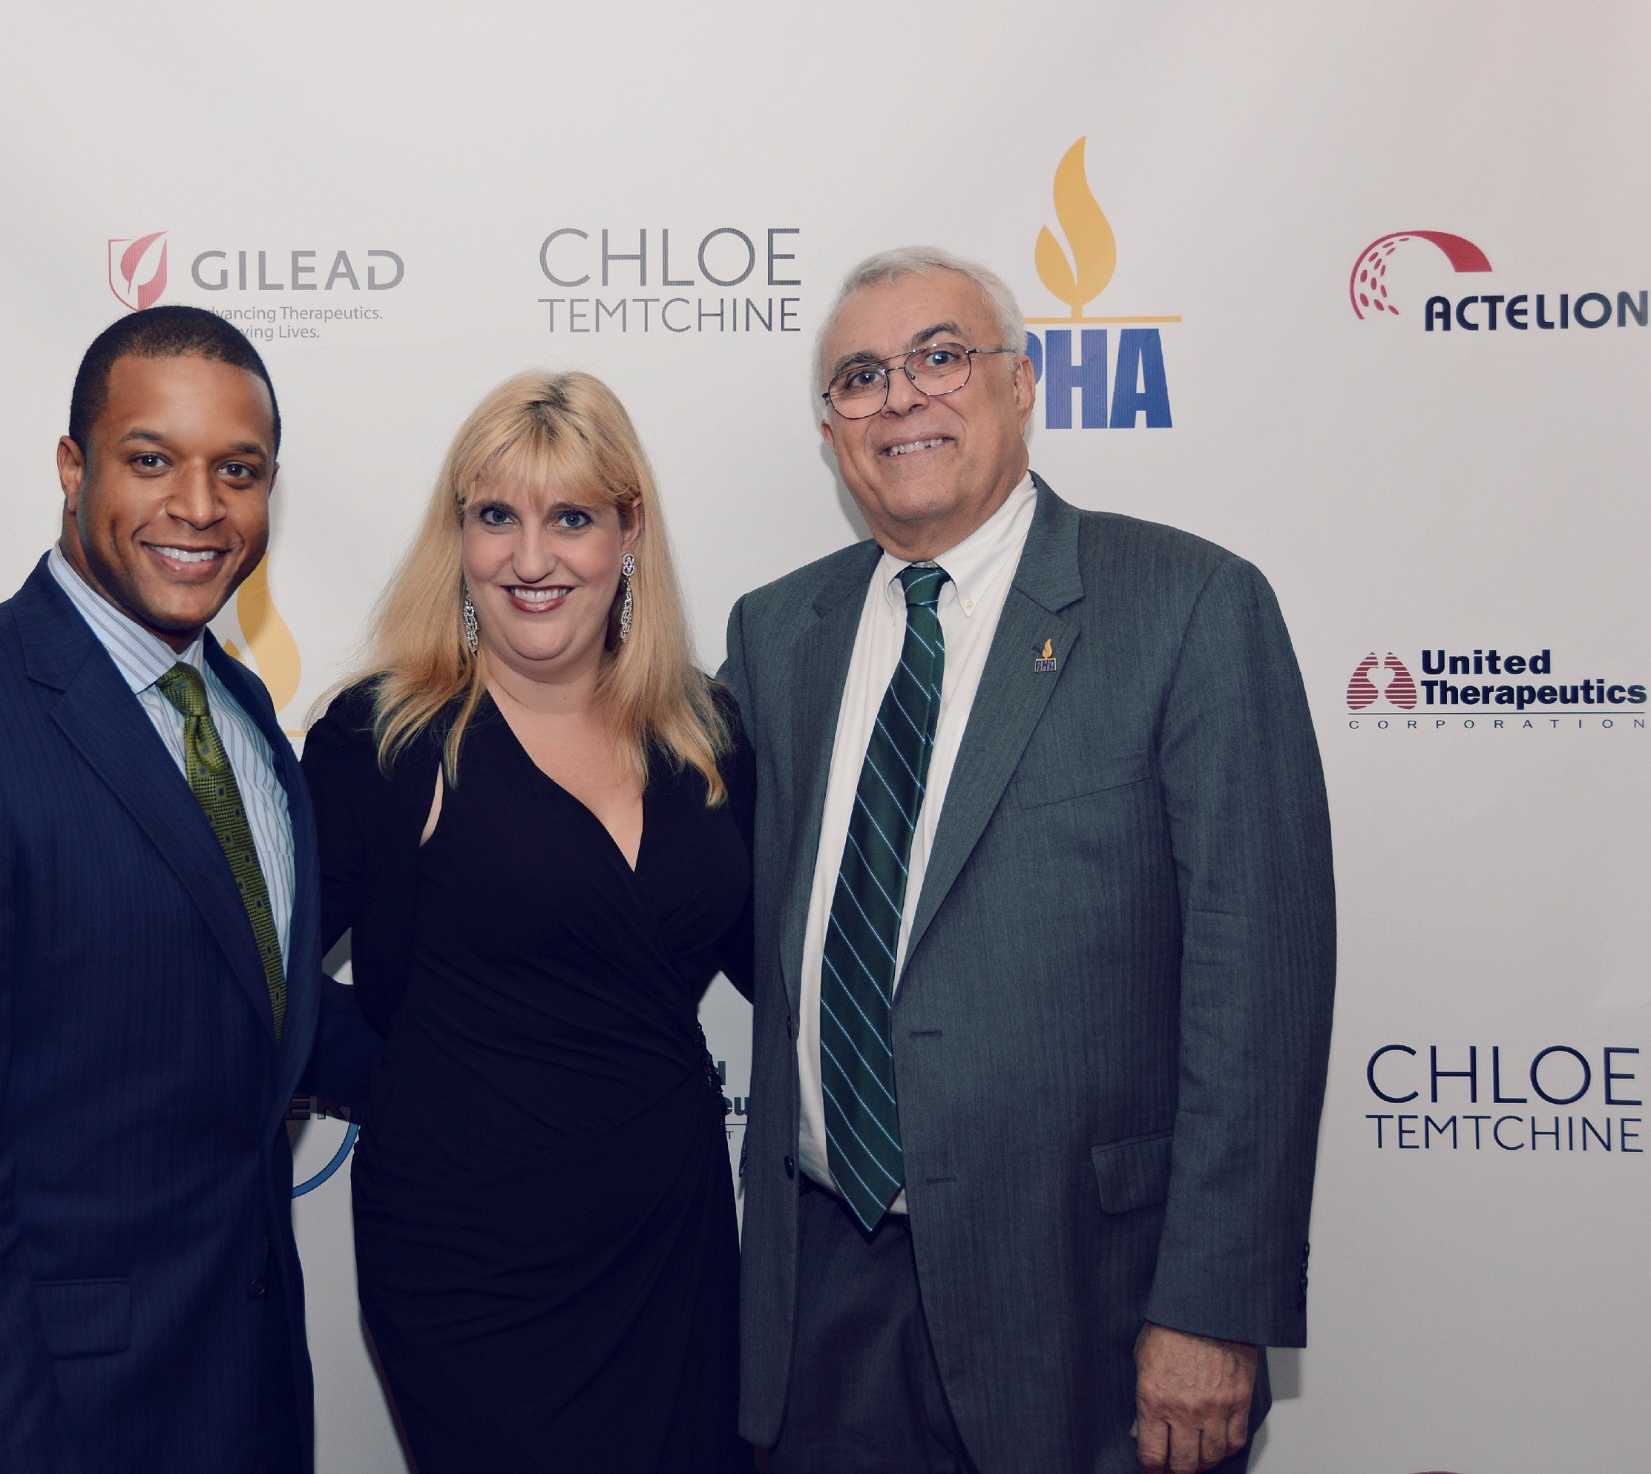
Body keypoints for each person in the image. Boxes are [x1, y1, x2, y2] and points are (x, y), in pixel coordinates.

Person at [725, 247, 1336, 1474]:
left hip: (1087, 1304)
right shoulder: (776, 631)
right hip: (821, 1286)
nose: (899, 398)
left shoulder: (1188, 606)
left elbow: (1259, 987)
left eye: (939, 356)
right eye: (858, 376)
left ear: (1023, 383)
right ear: (831, 426)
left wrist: (1212, 1307)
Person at [0, 305, 373, 1474]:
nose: (199, 506)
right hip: (24, 1430)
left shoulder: (244, 718)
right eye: (151, 459)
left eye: (238, 470)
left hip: (233, 1405)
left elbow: (249, 1013)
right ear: (74, 468)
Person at [303, 371, 753, 1474]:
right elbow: (254, 976)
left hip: (673, 1239)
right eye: (496, 516)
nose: (532, 557)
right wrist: (412, 1078)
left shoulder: (708, 733)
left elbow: (781, 963)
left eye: (572, 518)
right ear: (457, 537)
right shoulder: (386, 740)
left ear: (628, 532)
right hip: (471, 1260)